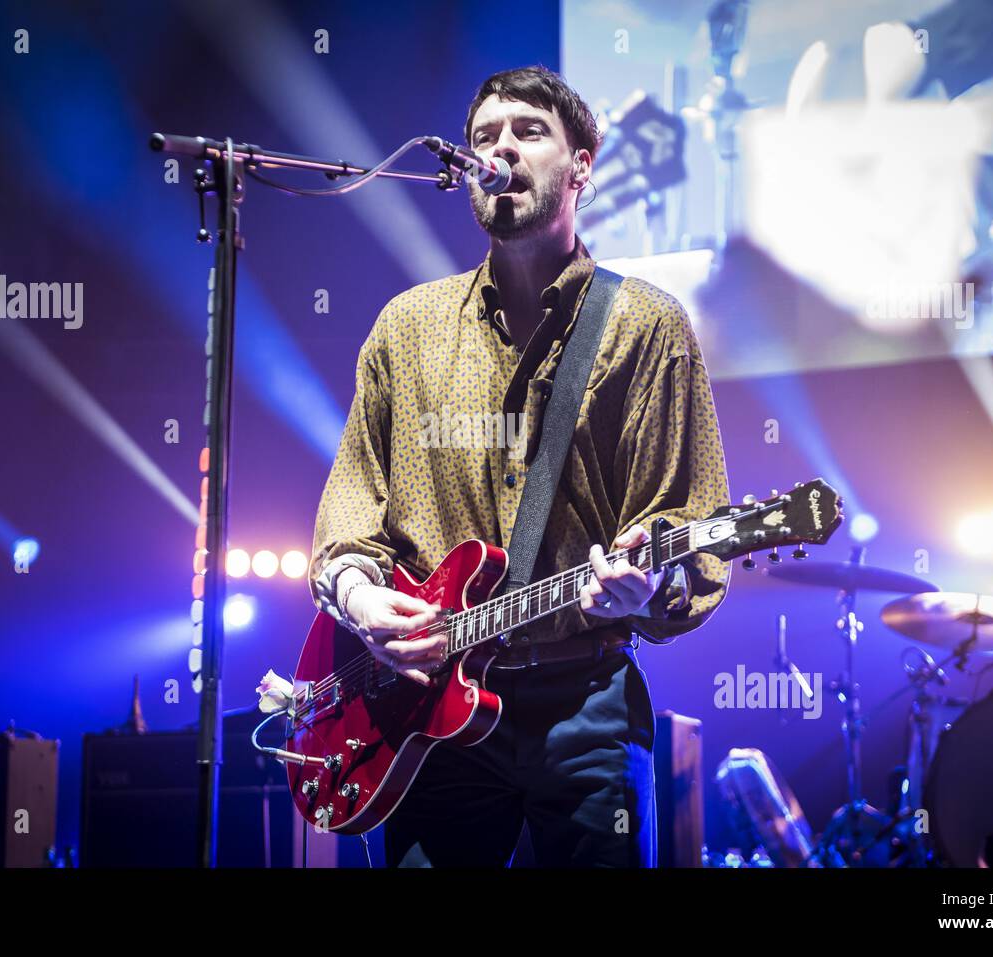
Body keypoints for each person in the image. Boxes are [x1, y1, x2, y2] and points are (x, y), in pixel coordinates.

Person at [308, 65, 730, 867]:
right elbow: (351, 507)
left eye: (528, 132)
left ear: (581, 167)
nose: (499, 149)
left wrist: (652, 582)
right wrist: (365, 599)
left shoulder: (645, 325)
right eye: (482, 138)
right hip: (427, 713)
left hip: (586, 701)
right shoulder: (408, 327)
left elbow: (687, 523)